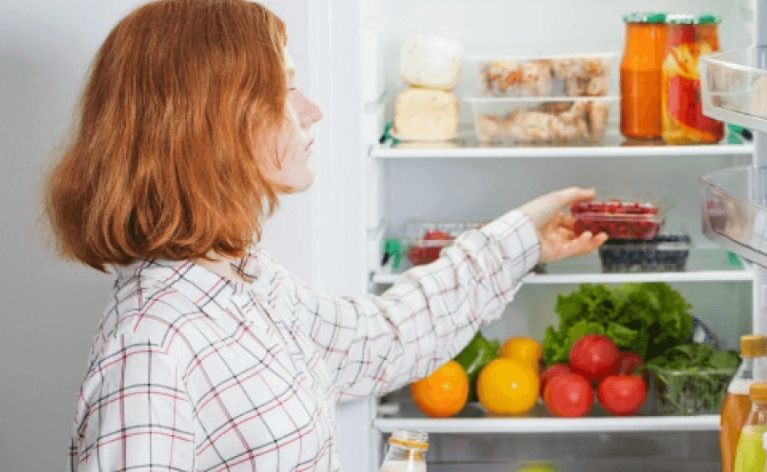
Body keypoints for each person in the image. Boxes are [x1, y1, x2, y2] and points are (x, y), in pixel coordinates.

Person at [45, 1, 607, 470]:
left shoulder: (242, 279)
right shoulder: (151, 349)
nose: (312, 111)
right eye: (285, 90)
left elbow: (380, 340)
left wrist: (523, 238)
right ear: (212, 121)